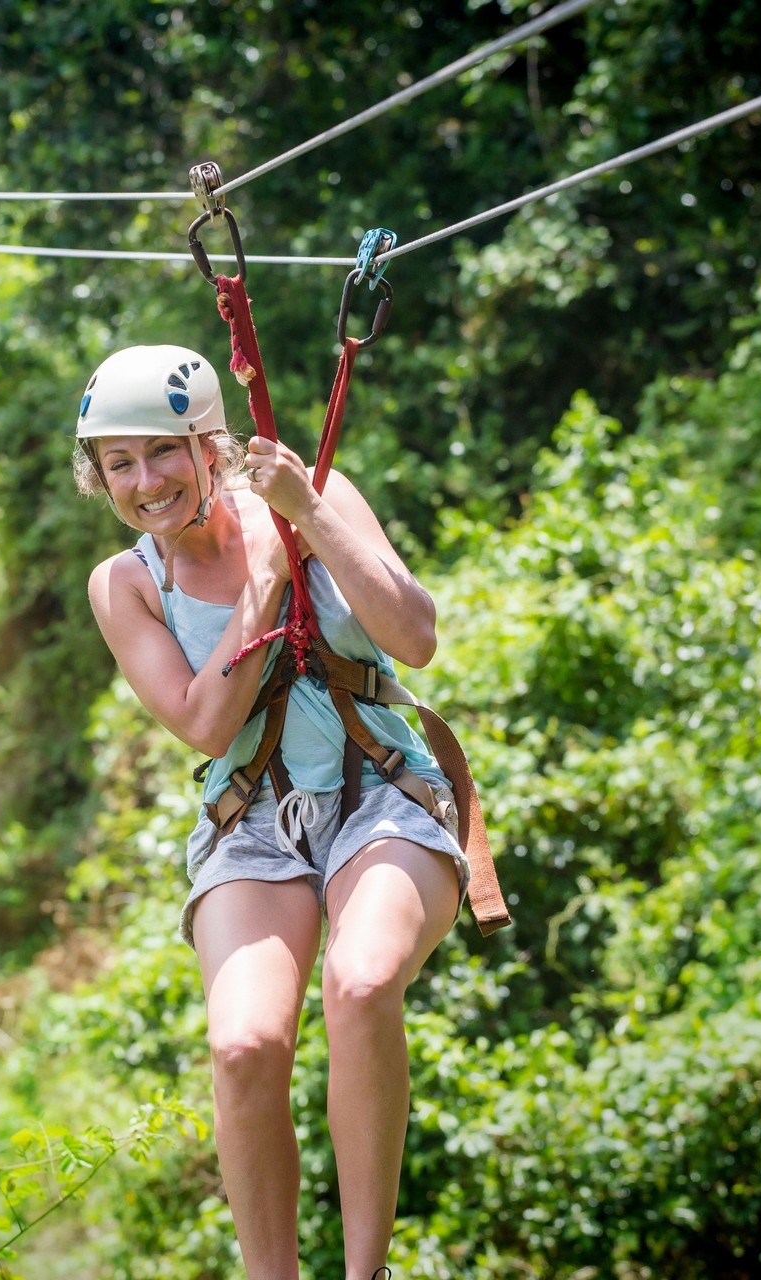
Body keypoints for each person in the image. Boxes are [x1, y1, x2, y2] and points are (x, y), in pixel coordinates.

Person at [78, 344, 471, 1280]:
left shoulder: (317, 492)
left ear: (210, 444)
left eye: (162, 453)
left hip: (382, 788)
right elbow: (206, 725)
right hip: (253, 815)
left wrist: (312, 520)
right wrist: (262, 588)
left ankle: (366, 1271)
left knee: (364, 982)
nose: (146, 483)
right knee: (247, 1043)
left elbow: (414, 638)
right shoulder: (126, 584)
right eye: (119, 465)